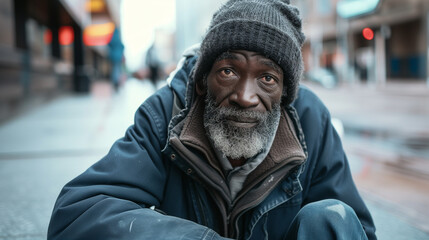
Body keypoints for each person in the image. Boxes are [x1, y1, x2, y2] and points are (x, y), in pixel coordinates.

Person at [48, 0, 376, 239]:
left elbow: (354, 230)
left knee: (330, 218)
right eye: (228, 71)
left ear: (285, 93)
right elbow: (76, 214)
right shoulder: (167, 114)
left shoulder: (310, 119)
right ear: (203, 80)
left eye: (267, 79)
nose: (245, 97)